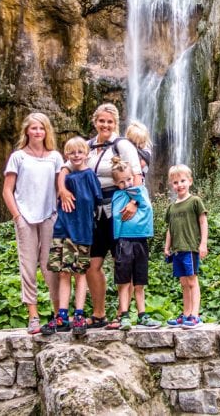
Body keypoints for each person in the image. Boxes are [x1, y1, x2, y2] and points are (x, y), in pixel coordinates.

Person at [2, 112, 62, 334]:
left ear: (47, 131)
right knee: (27, 266)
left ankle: (59, 314)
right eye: (34, 128)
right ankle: (33, 315)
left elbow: (61, 186)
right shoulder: (18, 157)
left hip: (49, 216)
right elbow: (7, 190)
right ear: (27, 130)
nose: (38, 132)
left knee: (51, 267)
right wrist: (17, 217)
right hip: (25, 217)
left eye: (42, 128)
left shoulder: (55, 157)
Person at [85, 103, 143, 328]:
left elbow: (137, 175)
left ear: (115, 123)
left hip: (119, 208)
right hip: (94, 210)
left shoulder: (123, 145)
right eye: (102, 121)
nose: (105, 125)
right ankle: (99, 313)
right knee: (92, 263)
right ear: (95, 121)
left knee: (122, 261)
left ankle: (123, 313)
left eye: (109, 121)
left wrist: (134, 202)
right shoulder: (88, 146)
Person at [41, 136, 103, 337]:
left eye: (80, 152)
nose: (76, 155)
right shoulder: (64, 178)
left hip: (83, 232)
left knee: (80, 273)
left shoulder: (90, 176)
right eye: (72, 152)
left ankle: (78, 314)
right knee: (64, 273)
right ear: (66, 155)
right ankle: (62, 315)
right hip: (63, 229)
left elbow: (96, 203)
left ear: (87, 154)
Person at [106, 157, 162, 330]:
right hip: (124, 241)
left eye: (129, 179)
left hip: (141, 240)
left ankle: (142, 314)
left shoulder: (141, 191)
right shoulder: (118, 195)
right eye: (121, 182)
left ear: (134, 177)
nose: (127, 184)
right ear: (116, 183)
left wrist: (134, 199)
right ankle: (124, 315)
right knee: (124, 280)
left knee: (140, 281)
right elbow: (119, 215)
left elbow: (147, 209)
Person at [163, 164, 208, 328]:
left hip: (190, 248)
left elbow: (203, 222)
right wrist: (167, 247)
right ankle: (186, 314)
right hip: (177, 250)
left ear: (190, 181)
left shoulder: (195, 201)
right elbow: (170, 229)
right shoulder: (172, 206)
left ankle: (195, 316)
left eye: (182, 180)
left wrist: (203, 244)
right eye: (175, 182)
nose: (179, 185)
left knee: (192, 281)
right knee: (183, 283)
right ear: (171, 185)